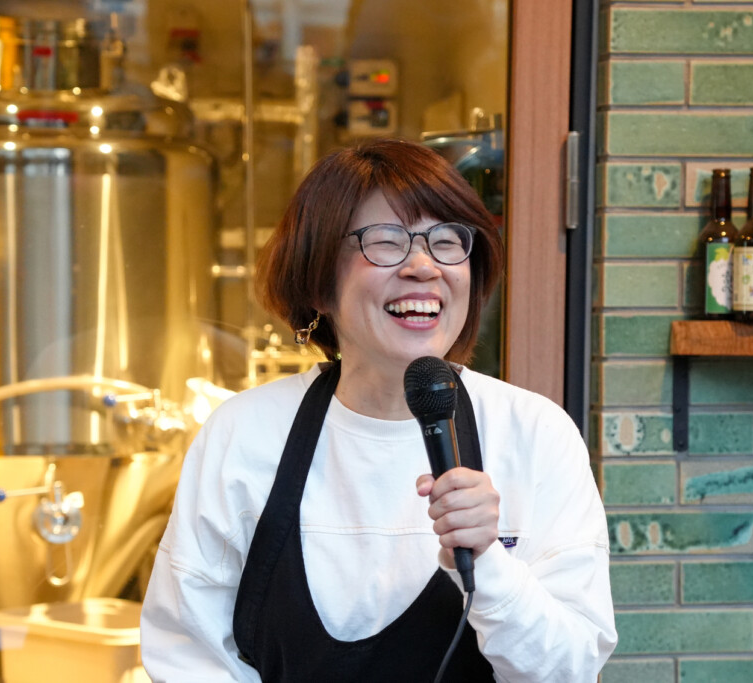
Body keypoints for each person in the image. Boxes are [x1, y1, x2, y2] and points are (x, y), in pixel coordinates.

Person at [139, 138, 617, 682]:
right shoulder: (245, 432)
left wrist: (487, 561)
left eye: (446, 241)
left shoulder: (534, 434)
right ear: (318, 279)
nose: (424, 267)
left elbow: (570, 667)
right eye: (386, 241)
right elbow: (188, 653)